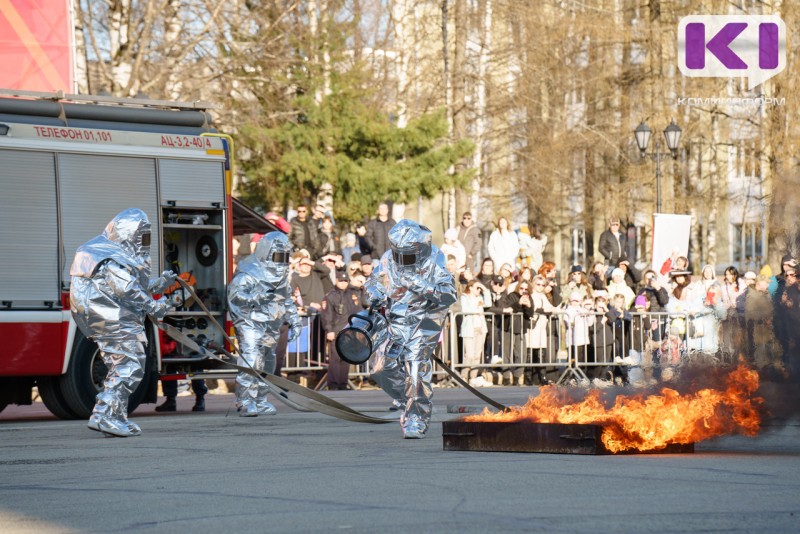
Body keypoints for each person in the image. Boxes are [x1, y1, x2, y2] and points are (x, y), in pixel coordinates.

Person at [70, 208, 173, 437]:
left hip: (115, 318)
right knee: (130, 367)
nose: (144, 242)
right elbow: (126, 289)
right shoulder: (109, 254)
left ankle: (115, 417)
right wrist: (153, 306)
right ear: (128, 234)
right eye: (141, 237)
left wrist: (160, 284)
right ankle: (103, 415)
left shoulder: (113, 253)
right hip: (114, 319)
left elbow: (133, 285)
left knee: (121, 367)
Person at [365, 219, 457, 439]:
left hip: (424, 321)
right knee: (380, 368)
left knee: (415, 370)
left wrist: (418, 283)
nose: (401, 261)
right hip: (396, 320)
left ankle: (416, 418)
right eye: (398, 255)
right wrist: (375, 293)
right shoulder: (389, 259)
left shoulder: (436, 259)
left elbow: (449, 294)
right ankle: (409, 399)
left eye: (407, 256)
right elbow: (374, 280)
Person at [228, 232, 302, 416]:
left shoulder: (282, 274)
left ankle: (260, 399)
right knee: (252, 361)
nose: (281, 261)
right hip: (250, 322)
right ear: (266, 252)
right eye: (278, 256)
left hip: (271, 323)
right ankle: (245, 400)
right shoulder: (249, 272)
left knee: (268, 363)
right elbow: (235, 297)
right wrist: (258, 297)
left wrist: (295, 320)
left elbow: (286, 299)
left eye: (285, 256)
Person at [321, 271, 368, 390]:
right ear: (336, 281)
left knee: (346, 357)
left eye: (345, 281)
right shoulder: (330, 295)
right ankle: (333, 384)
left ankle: (343, 383)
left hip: (349, 330)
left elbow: (363, 305)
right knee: (336, 358)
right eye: (341, 281)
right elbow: (327, 314)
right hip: (336, 330)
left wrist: (363, 288)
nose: (343, 283)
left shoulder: (353, 293)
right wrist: (329, 330)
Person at [459, 280, 489, 385]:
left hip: (481, 329)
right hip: (469, 329)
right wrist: (477, 305)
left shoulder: (480, 297)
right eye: (477, 287)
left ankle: (473, 377)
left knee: (477, 355)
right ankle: (463, 376)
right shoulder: (465, 297)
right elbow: (465, 309)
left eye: (480, 288)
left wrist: (485, 289)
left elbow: (488, 303)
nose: (479, 290)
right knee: (470, 355)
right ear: (470, 287)